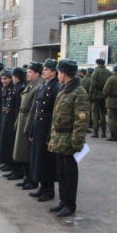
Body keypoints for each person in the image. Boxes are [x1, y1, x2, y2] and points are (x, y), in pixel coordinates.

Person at [48, 59, 89, 217]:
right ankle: (63, 201)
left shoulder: (78, 92)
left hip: (69, 138)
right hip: (59, 138)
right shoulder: (64, 89)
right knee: (61, 173)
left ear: (63, 74)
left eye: (58, 72)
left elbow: (82, 119)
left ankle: (70, 204)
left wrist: (77, 142)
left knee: (69, 174)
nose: (58, 75)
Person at [29, 59, 60, 202]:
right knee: (38, 158)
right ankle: (42, 186)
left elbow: (55, 114)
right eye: (44, 69)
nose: (44, 72)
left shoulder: (55, 88)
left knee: (46, 160)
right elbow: (37, 110)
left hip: (47, 126)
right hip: (39, 126)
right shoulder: (43, 86)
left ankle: (49, 190)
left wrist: (50, 134)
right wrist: (32, 130)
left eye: (47, 69)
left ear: (54, 72)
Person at [13, 62, 44, 190]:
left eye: (30, 72)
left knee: (27, 152)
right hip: (22, 119)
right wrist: (17, 122)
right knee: (21, 151)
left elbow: (33, 110)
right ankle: (27, 177)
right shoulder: (31, 85)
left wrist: (28, 128)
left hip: (28, 122)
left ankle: (32, 180)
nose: (28, 74)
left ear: (37, 74)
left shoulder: (38, 87)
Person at [0, 67, 26, 179]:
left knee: (13, 145)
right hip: (8, 117)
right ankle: (12, 167)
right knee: (8, 143)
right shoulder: (16, 87)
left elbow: (17, 107)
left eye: (13, 76)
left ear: (16, 77)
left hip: (13, 119)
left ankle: (17, 170)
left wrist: (16, 123)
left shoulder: (21, 87)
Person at [89, 59, 112, 138]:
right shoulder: (109, 72)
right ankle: (103, 131)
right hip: (105, 95)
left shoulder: (96, 71)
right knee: (103, 113)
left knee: (95, 112)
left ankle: (96, 131)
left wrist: (90, 94)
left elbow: (93, 84)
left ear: (97, 63)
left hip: (96, 94)